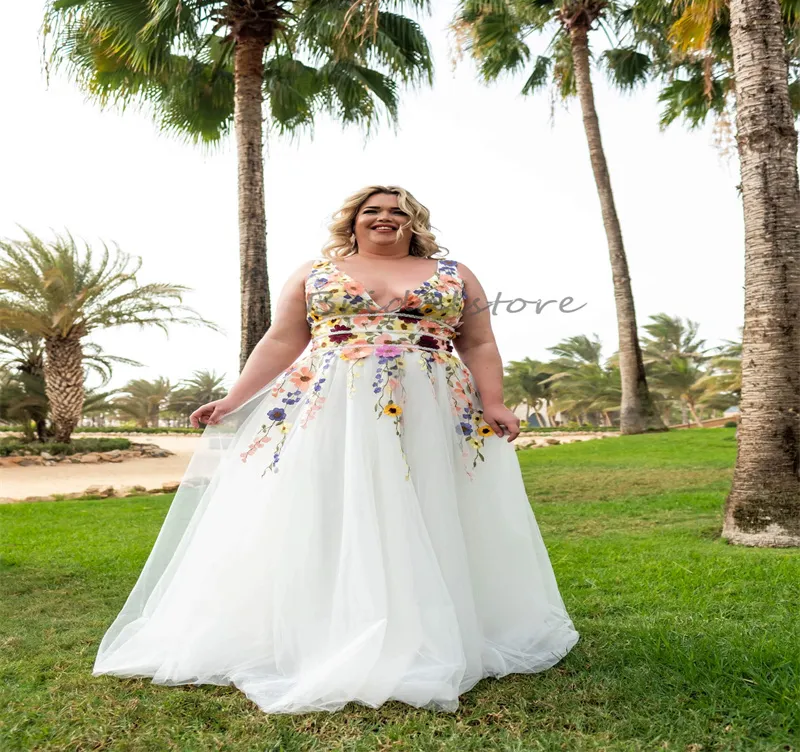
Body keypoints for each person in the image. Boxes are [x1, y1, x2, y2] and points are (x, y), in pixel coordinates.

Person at [92, 185, 580, 714]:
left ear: (414, 223)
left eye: (398, 212)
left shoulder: (456, 273)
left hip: (434, 409)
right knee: (335, 507)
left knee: (430, 507)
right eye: (372, 210)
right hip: (333, 409)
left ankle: (433, 628)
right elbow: (282, 339)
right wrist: (235, 398)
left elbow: (479, 342)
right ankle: (331, 630)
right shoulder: (313, 273)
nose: (384, 218)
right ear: (352, 221)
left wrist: (495, 401)